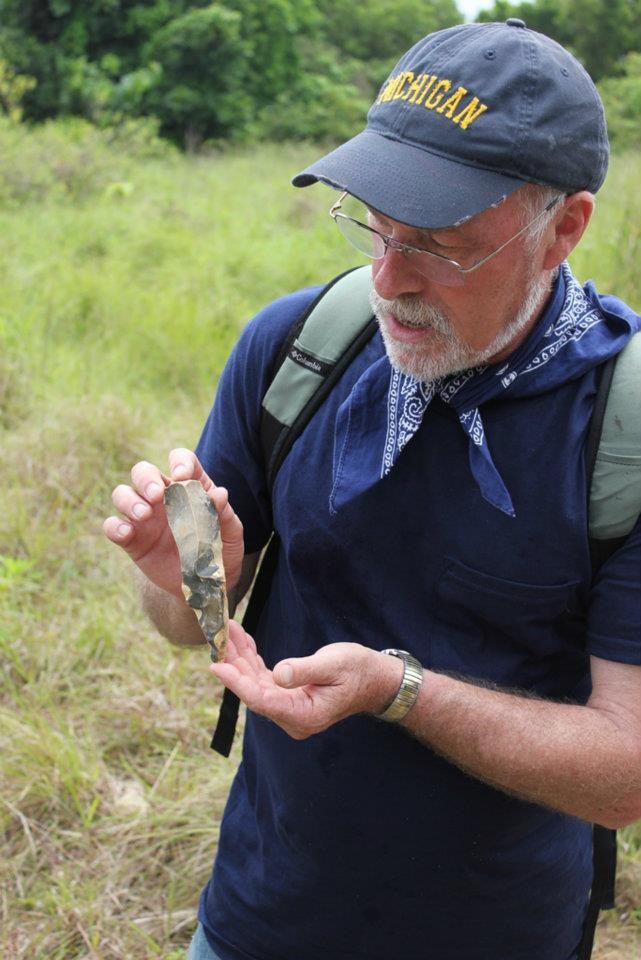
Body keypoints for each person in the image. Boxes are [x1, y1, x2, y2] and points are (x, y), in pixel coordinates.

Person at [103, 19, 641, 960]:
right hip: (259, 919)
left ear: (563, 227)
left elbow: (626, 773)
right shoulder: (297, 346)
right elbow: (187, 623)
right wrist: (196, 575)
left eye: (440, 242)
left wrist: (399, 691)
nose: (390, 280)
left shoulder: (621, 428)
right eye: (375, 226)